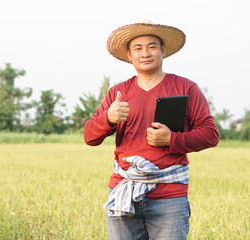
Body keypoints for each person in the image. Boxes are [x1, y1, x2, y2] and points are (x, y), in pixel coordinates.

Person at [84, 20, 219, 240]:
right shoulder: (118, 92)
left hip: (169, 196)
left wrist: (171, 139)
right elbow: (89, 136)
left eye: (152, 46)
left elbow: (210, 134)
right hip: (123, 192)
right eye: (138, 48)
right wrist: (108, 119)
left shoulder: (186, 88)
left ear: (163, 50)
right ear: (129, 55)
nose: (145, 53)